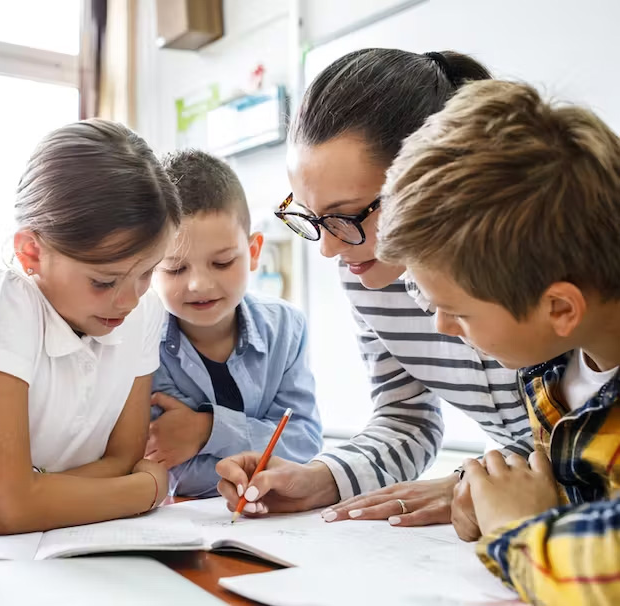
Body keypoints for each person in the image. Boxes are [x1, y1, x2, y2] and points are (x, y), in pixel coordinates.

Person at [215, 49, 531, 530]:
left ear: (430, 178)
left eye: (345, 215)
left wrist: (473, 481)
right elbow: (406, 417)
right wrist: (320, 479)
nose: (327, 249)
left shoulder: (544, 257)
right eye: (311, 217)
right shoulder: (364, 268)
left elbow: (588, 432)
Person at [377, 79, 620, 606]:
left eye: (457, 311)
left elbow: (606, 570)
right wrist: (490, 496)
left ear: (559, 308)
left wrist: (514, 527)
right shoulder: (555, 369)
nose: (441, 326)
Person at [0, 119, 181, 534]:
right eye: (104, 281)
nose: (129, 299)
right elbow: (6, 510)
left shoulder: (145, 310)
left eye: (148, 273)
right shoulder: (4, 303)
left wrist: (23, 494)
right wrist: (146, 491)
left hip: (69, 542)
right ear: (31, 252)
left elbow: (122, 458)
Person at [147, 149, 322, 497]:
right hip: (186, 520)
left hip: (274, 517)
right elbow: (167, 464)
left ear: (254, 251)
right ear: (148, 265)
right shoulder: (143, 341)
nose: (199, 285)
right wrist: (260, 450)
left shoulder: (286, 328)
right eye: (176, 269)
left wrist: (208, 430)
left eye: (223, 263)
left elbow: (303, 443)